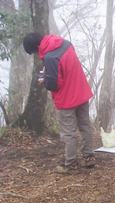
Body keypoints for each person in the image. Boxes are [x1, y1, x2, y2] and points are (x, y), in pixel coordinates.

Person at [22, 32, 96, 174]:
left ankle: (71, 164)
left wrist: (44, 80)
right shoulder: (65, 44)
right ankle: (89, 157)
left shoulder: (50, 57)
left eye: (34, 51)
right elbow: (67, 68)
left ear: (37, 46)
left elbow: (54, 84)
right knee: (85, 125)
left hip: (67, 98)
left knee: (68, 133)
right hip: (81, 91)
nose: (37, 54)